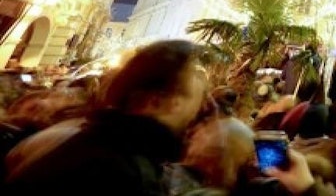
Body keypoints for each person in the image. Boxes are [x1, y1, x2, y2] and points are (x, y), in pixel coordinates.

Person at [4, 40, 209, 194]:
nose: (199, 111)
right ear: (155, 101)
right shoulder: (121, 173)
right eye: (194, 99)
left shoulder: (98, 140)